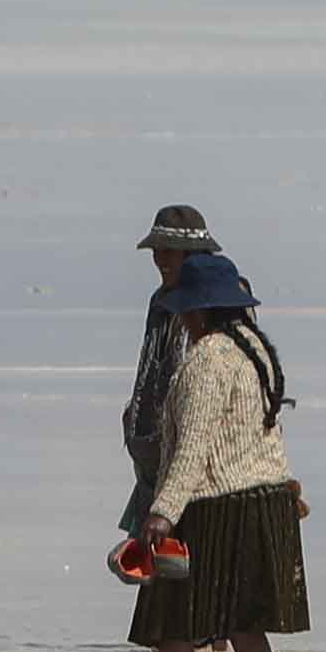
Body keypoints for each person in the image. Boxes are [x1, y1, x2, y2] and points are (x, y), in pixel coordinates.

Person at [126, 246, 305, 652]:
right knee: (244, 620)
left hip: (216, 507)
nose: (182, 320)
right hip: (261, 503)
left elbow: (194, 446)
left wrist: (162, 513)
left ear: (201, 309)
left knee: (176, 621)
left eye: (186, 310)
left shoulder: (209, 361)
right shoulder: (255, 350)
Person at [119, 203, 220, 539]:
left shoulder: (219, 301)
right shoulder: (159, 301)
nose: (161, 259)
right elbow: (150, 370)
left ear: (193, 254)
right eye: (158, 250)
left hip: (199, 472)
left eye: (170, 251)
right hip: (154, 462)